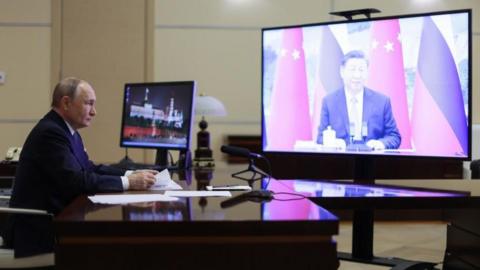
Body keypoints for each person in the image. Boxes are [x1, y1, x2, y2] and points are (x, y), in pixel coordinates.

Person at [2, 77, 158, 257]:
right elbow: (76, 181)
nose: (94, 112)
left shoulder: (66, 131)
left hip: (55, 221)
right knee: (112, 250)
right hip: (36, 232)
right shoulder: (50, 133)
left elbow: (89, 168)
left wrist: (132, 173)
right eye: (89, 104)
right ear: (66, 103)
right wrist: (128, 182)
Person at [317, 50, 401, 150]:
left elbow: (394, 136)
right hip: (340, 161)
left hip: (373, 161)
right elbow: (320, 138)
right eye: (352, 70)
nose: (357, 75)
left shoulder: (382, 102)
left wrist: (380, 144)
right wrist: (333, 142)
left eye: (361, 70)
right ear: (342, 72)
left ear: (367, 73)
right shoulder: (329, 102)